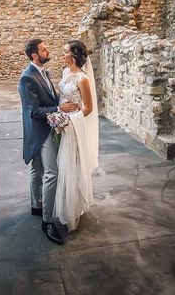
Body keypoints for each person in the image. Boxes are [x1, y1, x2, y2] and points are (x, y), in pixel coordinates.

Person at [18, 38, 79, 245]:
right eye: (44, 50)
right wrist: (59, 109)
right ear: (35, 55)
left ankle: (37, 206)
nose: (47, 51)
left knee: (37, 169)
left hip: (44, 127)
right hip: (40, 131)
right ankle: (48, 222)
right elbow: (34, 111)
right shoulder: (27, 78)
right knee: (52, 173)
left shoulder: (42, 72)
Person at [53, 39, 99, 231]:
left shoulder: (83, 79)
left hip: (72, 125)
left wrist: (69, 121)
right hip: (61, 121)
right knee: (61, 165)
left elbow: (88, 107)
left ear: (73, 56)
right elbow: (63, 96)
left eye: (65, 51)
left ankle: (73, 209)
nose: (62, 54)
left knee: (72, 164)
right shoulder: (65, 72)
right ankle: (64, 203)